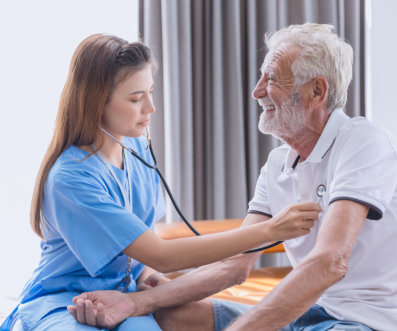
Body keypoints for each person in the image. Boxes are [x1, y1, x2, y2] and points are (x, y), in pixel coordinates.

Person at [69, 23, 397, 331]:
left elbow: (330, 262)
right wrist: (135, 302)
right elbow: (235, 266)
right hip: (304, 312)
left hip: (362, 319)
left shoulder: (361, 142)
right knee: (168, 315)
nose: (256, 92)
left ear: (316, 91)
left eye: (271, 79)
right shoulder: (277, 163)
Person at [0, 34, 321, 331]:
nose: (151, 108)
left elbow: (138, 244)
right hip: (63, 300)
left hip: (121, 292)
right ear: (97, 101)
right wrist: (271, 231)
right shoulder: (71, 178)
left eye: (150, 92)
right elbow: (162, 254)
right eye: (136, 98)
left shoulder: (136, 149)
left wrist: (147, 275)